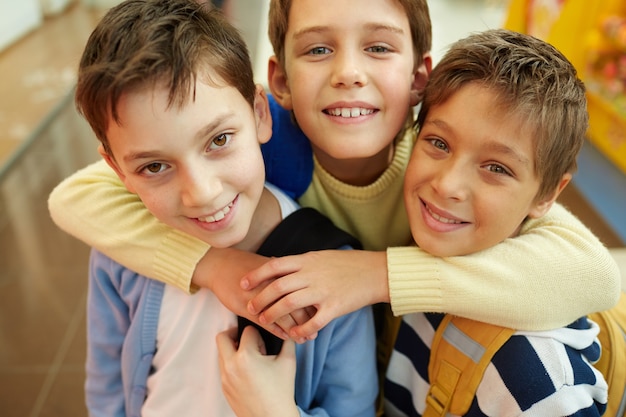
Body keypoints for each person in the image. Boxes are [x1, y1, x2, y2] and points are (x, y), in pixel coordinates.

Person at [48, 0, 620, 407]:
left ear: (419, 78)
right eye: (318, 48)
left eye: (377, 47)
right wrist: (217, 265)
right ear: (279, 85)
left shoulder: (445, 173)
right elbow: (75, 197)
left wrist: (374, 274)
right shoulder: (248, 156)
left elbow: (594, 275)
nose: (348, 73)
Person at [76, 0, 377, 415]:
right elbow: (106, 382)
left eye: (218, 140)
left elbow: (354, 408)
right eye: (155, 166)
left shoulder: (335, 277)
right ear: (117, 169)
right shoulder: (120, 250)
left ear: (258, 114)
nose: (200, 193)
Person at [385, 29, 608, 416]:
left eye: (496, 168)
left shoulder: (535, 381)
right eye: (439, 143)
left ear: (547, 195)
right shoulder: (427, 241)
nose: (448, 185)